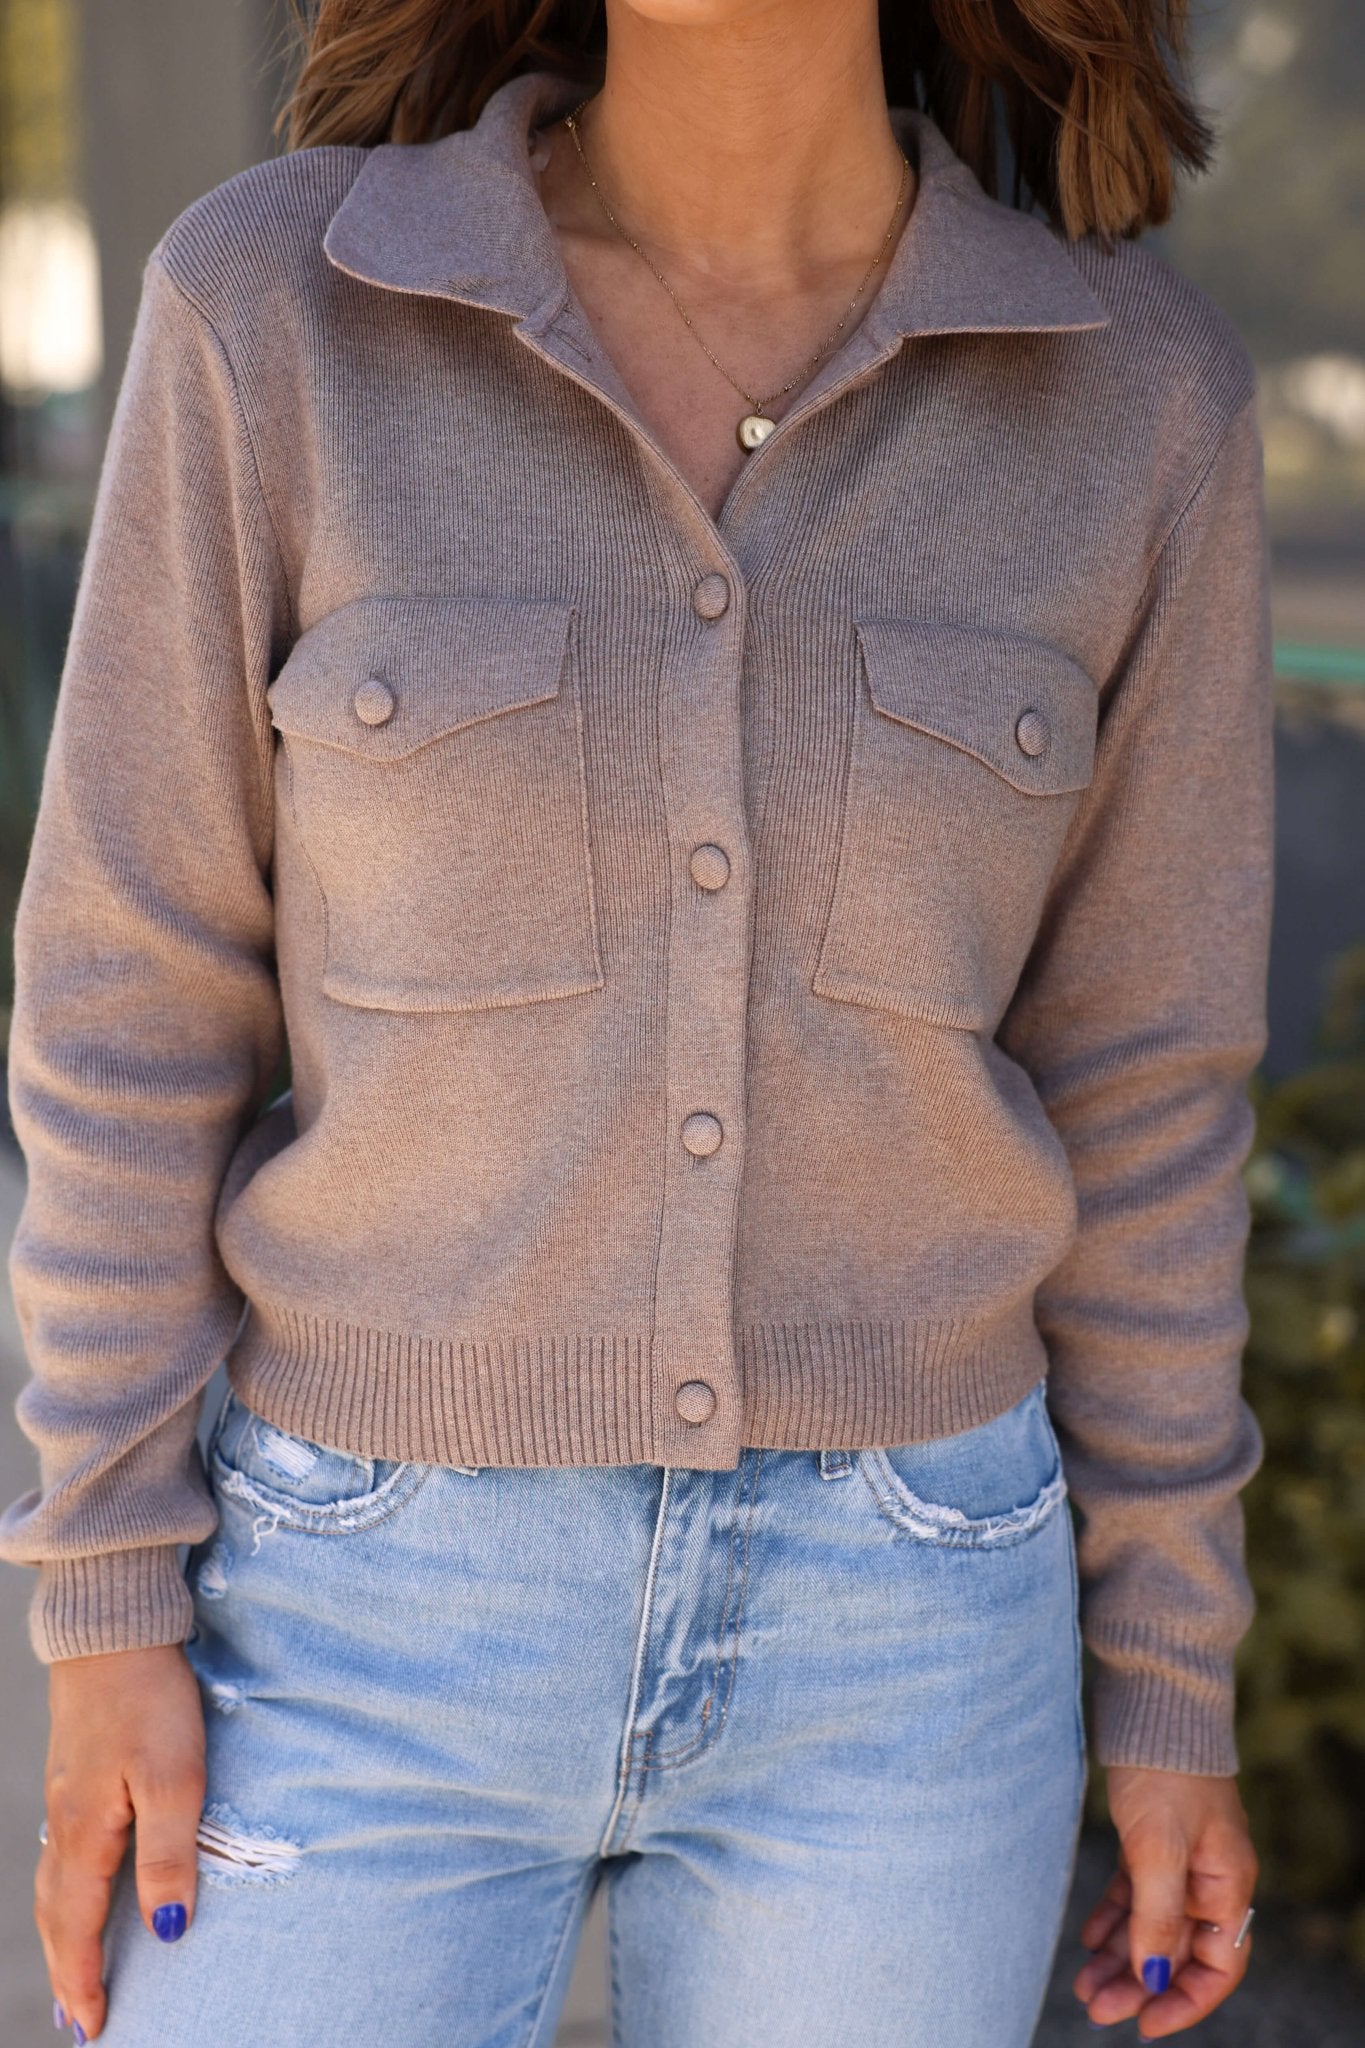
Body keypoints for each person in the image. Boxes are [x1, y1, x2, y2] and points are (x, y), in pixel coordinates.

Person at [0, 2, 1269, 2042]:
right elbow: (124, 999)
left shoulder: (1134, 408)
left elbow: (1145, 1095)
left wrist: (1163, 1674)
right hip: (348, 1609)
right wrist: (103, 1595)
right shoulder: (282, 310)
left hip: (910, 1629)